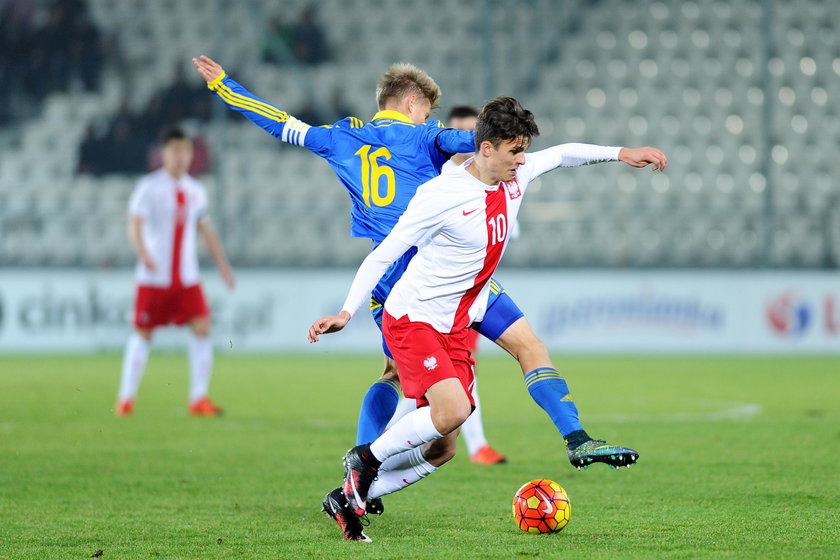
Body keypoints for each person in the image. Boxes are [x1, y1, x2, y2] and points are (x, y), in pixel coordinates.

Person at [192, 57, 648, 540]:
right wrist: (476, 135)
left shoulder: (341, 138)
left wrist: (224, 86)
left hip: (422, 276)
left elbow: (281, 124)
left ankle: (369, 464)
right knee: (509, 362)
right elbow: (471, 143)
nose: (432, 119)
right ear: (414, 103)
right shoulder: (429, 138)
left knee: (400, 379)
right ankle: (364, 468)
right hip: (426, 280)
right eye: (428, 110)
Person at [308, 97, 667, 542]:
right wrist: (346, 310)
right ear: (485, 148)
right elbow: (385, 252)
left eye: (523, 150)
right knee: (453, 409)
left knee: (443, 448)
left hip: (459, 316)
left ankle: (349, 496)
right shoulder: (442, 194)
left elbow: (563, 153)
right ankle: (364, 457)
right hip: (415, 316)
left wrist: (621, 154)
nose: (522, 160)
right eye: (514, 151)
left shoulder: (515, 177)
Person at [386, 104, 507, 465]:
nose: (470, 141)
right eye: (463, 134)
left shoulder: (496, 183)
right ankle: (373, 451)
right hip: (432, 300)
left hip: (472, 294)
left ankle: (376, 459)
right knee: (433, 388)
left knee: (449, 388)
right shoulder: (440, 182)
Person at [115, 127, 235, 417]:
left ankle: (198, 398)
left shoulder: (196, 190)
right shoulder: (148, 187)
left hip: (186, 277)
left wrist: (223, 266)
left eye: (185, 151)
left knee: (202, 326)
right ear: (163, 154)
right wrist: (143, 253)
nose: (181, 157)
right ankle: (126, 398)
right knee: (143, 332)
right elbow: (134, 224)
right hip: (153, 276)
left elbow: (205, 230)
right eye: (175, 151)